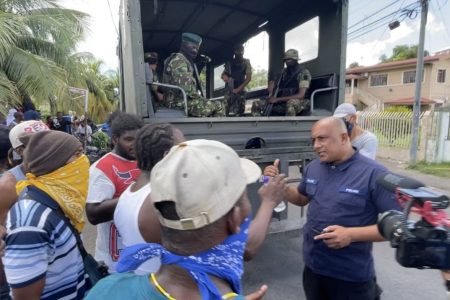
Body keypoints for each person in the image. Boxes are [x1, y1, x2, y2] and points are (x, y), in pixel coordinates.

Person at [85, 139, 283, 300]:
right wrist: (269, 202)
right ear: (234, 220)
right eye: (244, 198)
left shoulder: (106, 290)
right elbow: (248, 249)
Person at [264, 117, 401, 300]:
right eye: (313, 140)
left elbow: (397, 227)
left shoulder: (375, 174)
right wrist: (280, 187)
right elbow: (302, 198)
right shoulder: (314, 167)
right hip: (313, 270)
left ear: (344, 138)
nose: (316, 145)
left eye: (322, 139)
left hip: (351, 278)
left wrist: (351, 235)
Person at [3, 130, 89, 299]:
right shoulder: (30, 223)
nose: (84, 160)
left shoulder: (55, 201)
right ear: (56, 162)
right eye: (77, 154)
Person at [113, 123, 185, 274]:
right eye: (182, 148)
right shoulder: (157, 201)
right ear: (167, 155)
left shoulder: (130, 193)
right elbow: (188, 255)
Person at [86, 112, 143, 273]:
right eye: (128, 139)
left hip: (141, 254)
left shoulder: (143, 160)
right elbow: (93, 214)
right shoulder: (102, 168)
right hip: (115, 260)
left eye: (138, 139)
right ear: (115, 139)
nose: (134, 144)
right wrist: (138, 194)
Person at [162, 32, 225, 117]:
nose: (195, 50)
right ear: (184, 45)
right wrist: (202, 100)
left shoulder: (182, 60)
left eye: (197, 49)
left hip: (179, 101)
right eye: (193, 47)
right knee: (219, 106)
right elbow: (187, 90)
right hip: (177, 103)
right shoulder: (179, 61)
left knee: (208, 104)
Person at [251, 49, 311, 116]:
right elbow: (274, 87)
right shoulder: (283, 73)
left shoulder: (303, 73)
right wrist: (271, 88)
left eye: (289, 59)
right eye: (286, 60)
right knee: (256, 103)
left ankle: (290, 126)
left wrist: (277, 99)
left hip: (301, 101)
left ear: (295, 60)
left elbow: (301, 95)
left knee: (291, 104)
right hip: (283, 100)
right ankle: (259, 125)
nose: (287, 62)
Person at [222, 44, 252, 116]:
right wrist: (226, 78)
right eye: (239, 51)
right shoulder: (229, 63)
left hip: (241, 88)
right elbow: (223, 75)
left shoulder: (246, 62)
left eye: (242, 51)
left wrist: (238, 89)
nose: (241, 53)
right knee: (224, 109)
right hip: (229, 89)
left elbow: (248, 78)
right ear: (235, 52)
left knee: (244, 108)